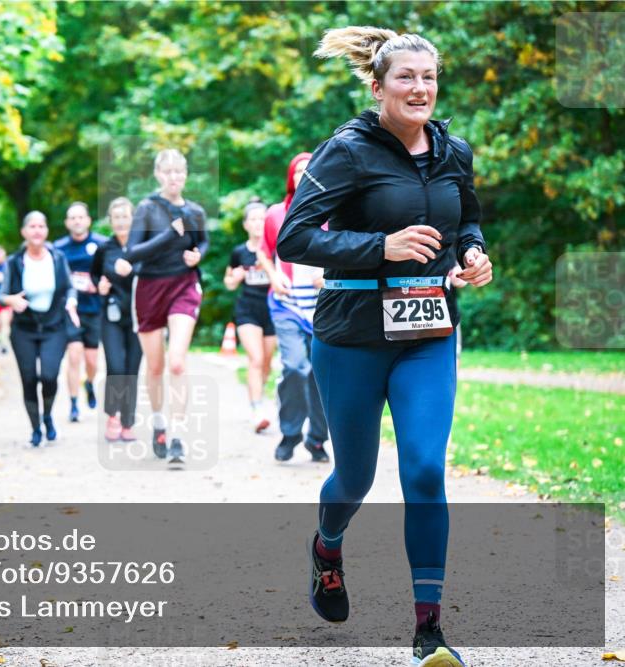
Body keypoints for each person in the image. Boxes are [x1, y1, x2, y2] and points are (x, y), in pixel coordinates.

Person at [277, 27, 492, 667]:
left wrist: (472, 254)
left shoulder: (454, 150)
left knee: (425, 468)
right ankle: (327, 545)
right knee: (357, 476)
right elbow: (293, 239)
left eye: (428, 78)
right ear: (377, 87)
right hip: (352, 334)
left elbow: (468, 217)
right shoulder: (345, 151)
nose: (420, 88)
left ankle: (429, 629)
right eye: (406, 78)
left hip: (428, 332)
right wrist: (382, 248)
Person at [120, 149, 209, 468]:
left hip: (183, 286)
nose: (174, 177)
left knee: (176, 364)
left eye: (179, 171)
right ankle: (159, 423)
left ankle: (178, 436)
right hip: (149, 289)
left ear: (185, 175)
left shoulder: (195, 211)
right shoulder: (147, 208)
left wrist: (197, 255)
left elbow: (204, 242)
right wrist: (170, 234)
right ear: (158, 175)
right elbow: (132, 252)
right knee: (155, 367)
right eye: (168, 171)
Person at [258, 153, 331, 463]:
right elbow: (263, 251)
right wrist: (274, 277)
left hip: (324, 306)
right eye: (298, 171)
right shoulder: (276, 213)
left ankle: (316, 440)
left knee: (322, 374)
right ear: (291, 177)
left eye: (309, 169)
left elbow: (346, 249)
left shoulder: (332, 210)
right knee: (295, 367)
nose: (304, 175)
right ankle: (290, 433)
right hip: (287, 304)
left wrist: (328, 273)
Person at [0, 211, 80, 447]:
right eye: (32, 226)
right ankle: (36, 429)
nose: (37, 231)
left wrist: (72, 302)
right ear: (24, 232)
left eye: (41, 226)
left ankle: (48, 416)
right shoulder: (14, 262)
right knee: (29, 378)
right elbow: (2, 294)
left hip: (54, 326)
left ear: (46, 231)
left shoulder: (57, 257)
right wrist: (11, 300)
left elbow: (70, 287)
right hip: (24, 329)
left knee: (48, 376)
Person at [90, 197, 142, 442]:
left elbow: (152, 275)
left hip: (139, 316)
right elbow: (94, 275)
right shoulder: (104, 249)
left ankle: (128, 421)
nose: (121, 222)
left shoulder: (142, 247)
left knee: (132, 369)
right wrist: (99, 286)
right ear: (110, 221)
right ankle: (113, 414)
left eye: (125, 216)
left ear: (133, 219)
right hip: (111, 315)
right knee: (116, 366)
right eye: (117, 217)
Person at [223, 200, 276, 434]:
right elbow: (228, 283)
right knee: (254, 360)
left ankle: (260, 398)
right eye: (253, 219)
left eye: (262, 218)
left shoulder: (275, 250)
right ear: (245, 224)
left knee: (266, 363)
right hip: (247, 310)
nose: (258, 222)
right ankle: (257, 409)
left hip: (273, 309)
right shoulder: (239, 252)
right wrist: (234, 277)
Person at [54, 202, 107, 423]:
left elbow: (110, 271)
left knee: (92, 361)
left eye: (80, 217)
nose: (77, 221)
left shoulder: (101, 244)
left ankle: (89, 383)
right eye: (72, 218)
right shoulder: (58, 248)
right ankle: (74, 404)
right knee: (74, 356)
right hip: (70, 309)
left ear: (88, 220)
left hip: (94, 308)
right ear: (67, 222)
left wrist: (99, 283)